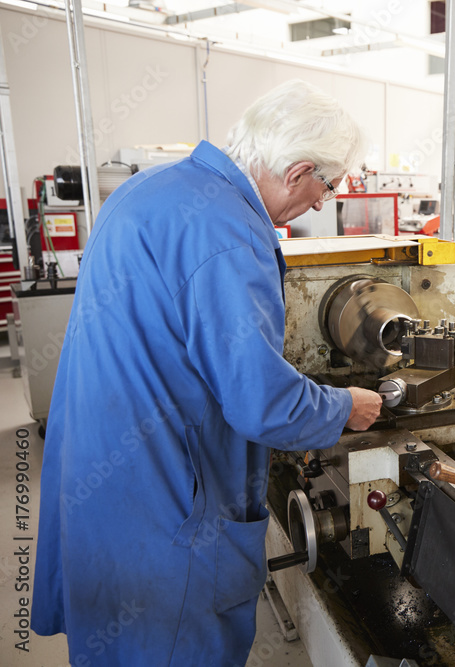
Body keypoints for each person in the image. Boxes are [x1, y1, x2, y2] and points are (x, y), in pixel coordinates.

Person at [32, 80, 383, 666]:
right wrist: (345, 405)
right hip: (166, 506)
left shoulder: (149, 189)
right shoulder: (227, 232)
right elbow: (261, 402)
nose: (323, 203)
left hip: (100, 482)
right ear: (298, 171)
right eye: (329, 185)